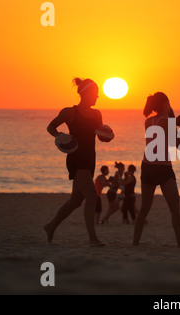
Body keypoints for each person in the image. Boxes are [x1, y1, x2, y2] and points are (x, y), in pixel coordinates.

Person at [44, 78, 109, 247]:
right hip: (76, 158)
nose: (98, 96)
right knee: (92, 195)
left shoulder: (97, 114)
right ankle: (92, 238)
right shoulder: (69, 112)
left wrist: (107, 134)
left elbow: (101, 135)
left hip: (90, 159)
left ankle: (50, 226)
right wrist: (60, 136)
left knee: (75, 201)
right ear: (86, 93)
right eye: (95, 93)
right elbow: (51, 127)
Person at [133, 92, 180, 247]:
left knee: (144, 208)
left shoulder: (148, 121)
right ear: (165, 104)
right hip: (162, 167)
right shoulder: (166, 121)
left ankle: (135, 242)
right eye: (169, 102)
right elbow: (177, 143)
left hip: (147, 165)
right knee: (175, 208)